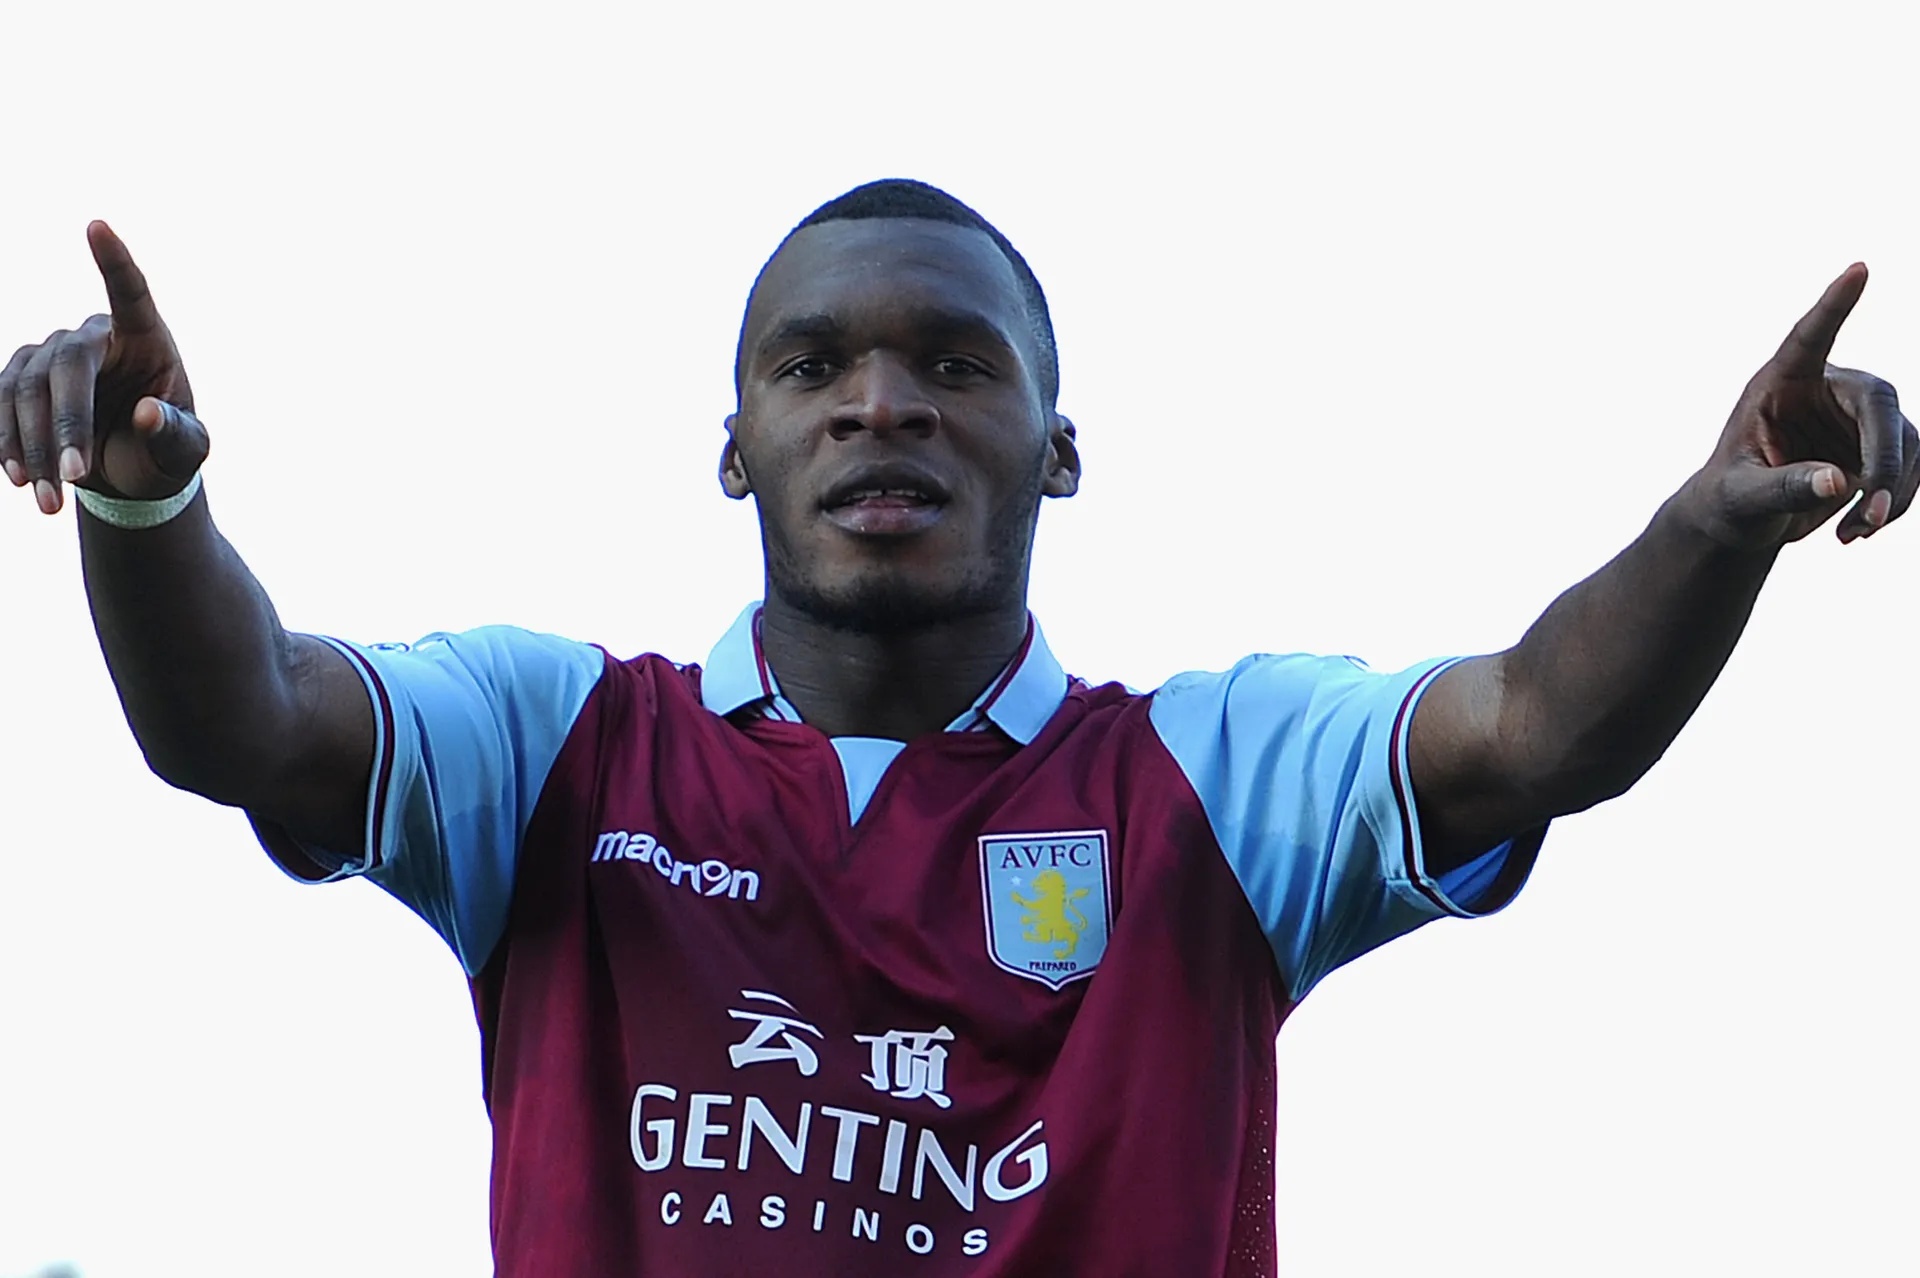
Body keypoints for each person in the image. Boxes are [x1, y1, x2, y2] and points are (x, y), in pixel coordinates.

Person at [1, 179, 1912, 1277]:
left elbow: (1536, 724)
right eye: (813, 365)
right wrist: (145, 505)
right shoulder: (553, 739)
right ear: (734, 446)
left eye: (954, 364)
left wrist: (1708, 523)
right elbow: (242, 718)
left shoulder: (1215, 777)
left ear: (1059, 450)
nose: (881, 404)